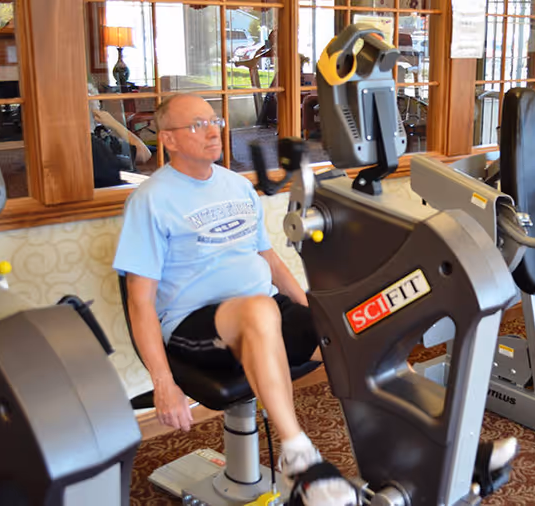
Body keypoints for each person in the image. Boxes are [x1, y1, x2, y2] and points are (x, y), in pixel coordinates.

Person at [113, 93, 356, 506]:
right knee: (260, 310)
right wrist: (164, 383)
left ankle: (415, 442)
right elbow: (139, 302)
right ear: (168, 140)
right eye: (197, 125)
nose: (212, 131)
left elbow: (271, 261)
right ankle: (298, 455)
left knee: (352, 327)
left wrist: (313, 312)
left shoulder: (236, 185)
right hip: (194, 328)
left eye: (214, 122)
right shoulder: (151, 200)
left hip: (260, 311)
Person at [89, 83, 153, 188]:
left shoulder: (99, 139)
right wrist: (114, 123)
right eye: (98, 103)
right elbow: (144, 154)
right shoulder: (94, 144)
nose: (100, 107)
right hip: (120, 192)